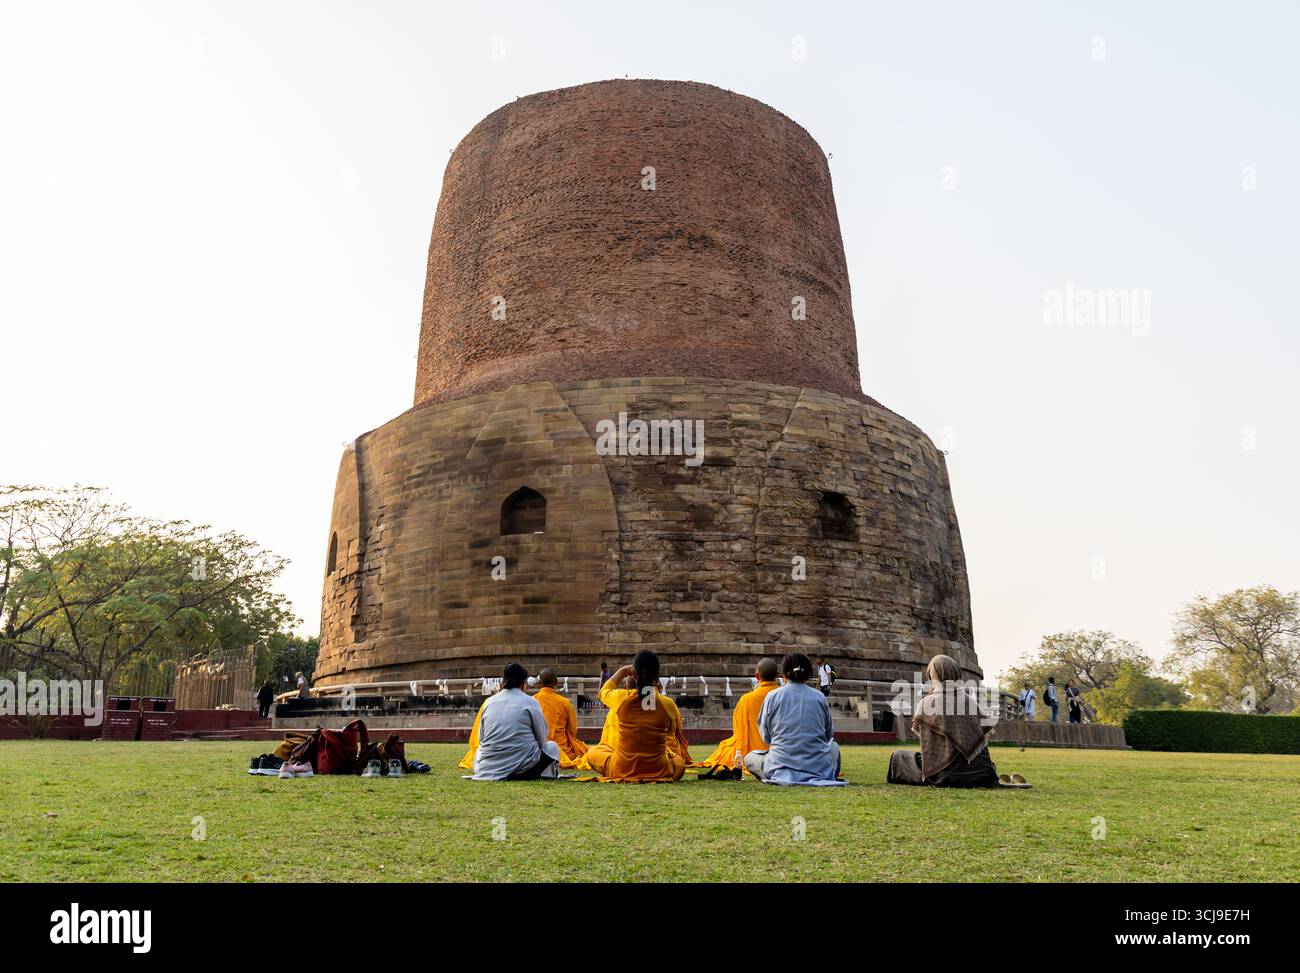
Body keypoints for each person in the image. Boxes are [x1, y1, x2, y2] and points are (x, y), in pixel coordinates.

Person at [887, 654, 999, 787]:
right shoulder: (970, 701)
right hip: (981, 774)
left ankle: (945, 771)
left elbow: (929, 747)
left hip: (945, 775)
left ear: (933, 675)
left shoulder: (927, 703)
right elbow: (982, 738)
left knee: (899, 757)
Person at [582, 651, 691, 782]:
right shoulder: (668, 704)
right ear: (657, 678)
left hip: (621, 768)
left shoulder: (621, 699)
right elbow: (670, 733)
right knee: (679, 762)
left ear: (633, 675)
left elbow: (603, 691)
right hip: (659, 769)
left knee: (592, 753)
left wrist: (622, 671)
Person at [744, 653, 844, 786]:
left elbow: (766, 738)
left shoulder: (772, 696)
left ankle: (773, 774)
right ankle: (827, 774)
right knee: (834, 747)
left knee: (749, 758)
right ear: (809, 674)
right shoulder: (819, 697)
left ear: (783, 675)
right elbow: (828, 736)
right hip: (817, 768)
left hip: (779, 766)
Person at [470, 663, 560, 781]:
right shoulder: (530, 702)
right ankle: (546, 776)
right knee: (552, 747)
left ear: (503, 681)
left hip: (486, 768)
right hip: (522, 767)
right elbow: (542, 739)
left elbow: (481, 739)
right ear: (524, 682)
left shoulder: (488, 702)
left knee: (478, 752)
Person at [696, 658, 780, 779]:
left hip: (752, 753)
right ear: (777, 676)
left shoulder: (747, 699)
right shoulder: (785, 697)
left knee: (725, 748)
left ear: (757, 676)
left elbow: (739, 732)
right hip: (782, 752)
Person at [534, 668, 589, 768]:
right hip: (562, 751)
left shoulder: (532, 701)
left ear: (539, 683)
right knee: (583, 748)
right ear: (556, 682)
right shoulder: (565, 703)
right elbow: (572, 731)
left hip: (539, 751)